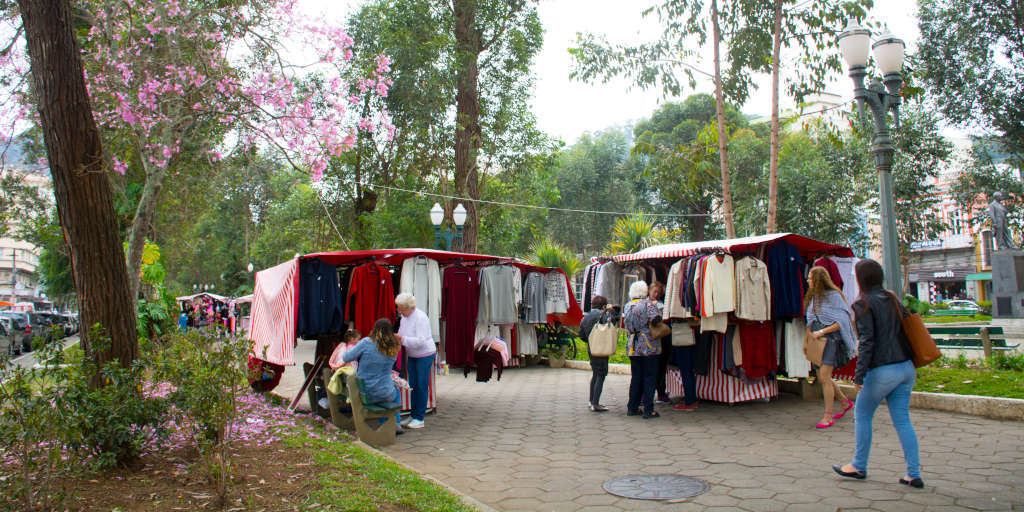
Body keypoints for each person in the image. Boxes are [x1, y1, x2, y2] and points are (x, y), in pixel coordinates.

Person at [833, 259, 923, 489]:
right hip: (905, 366)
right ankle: (913, 474)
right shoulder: (892, 297)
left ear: (860, 278)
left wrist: (859, 376)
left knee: (862, 415)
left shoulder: (862, 304)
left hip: (883, 370)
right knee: (902, 420)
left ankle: (858, 465)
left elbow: (867, 342)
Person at [804, 266, 857, 429]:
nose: (808, 280)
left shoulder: (834, 297)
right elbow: (810, 320)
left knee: (825, 377)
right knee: (822, 377)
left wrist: (821, 332)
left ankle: (827, 416)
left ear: (818, 280)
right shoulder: (815, 297)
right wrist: (807, 341)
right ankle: (844, 402)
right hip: (818, 342)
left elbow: (840, 322)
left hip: (831, 341)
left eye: (811, 278)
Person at [342, 318, 403, 434]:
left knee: (383, 392)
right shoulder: (393, 346)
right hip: (386, 392)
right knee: (395, 392)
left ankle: (387, 425)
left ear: (374, 329)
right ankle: (394, 424)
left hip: (365, 392)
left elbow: (346, 358)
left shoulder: (366, 342)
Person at [394, 293, 436, 430]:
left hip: (424, 354)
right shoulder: (404, 318)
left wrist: (402, 339)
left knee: (421, 385)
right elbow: (401, 334)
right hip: (412, 355)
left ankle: (419, 417)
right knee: (413, 385)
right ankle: (414, 415)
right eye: (398, 308)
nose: (399, 311)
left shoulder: (421, 317)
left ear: (409, 307)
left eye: (401, 309)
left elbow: (420, 341)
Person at [622, 280, 662, 419]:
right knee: (649, 377)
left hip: (633, 345)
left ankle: (632, 407)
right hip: (648, 345)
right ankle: (648, 409)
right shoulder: (648, 304)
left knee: (636, 377)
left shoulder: (627, 306)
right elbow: (656, 320)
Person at [578, 295, 618, 412]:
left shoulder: (585, 317)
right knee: (601, 374)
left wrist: (590, 341)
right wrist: (612, 312)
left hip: (592, 349)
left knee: (595, 374)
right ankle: (596, 403)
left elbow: (581, 334)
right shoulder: (603, 315)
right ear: (604, 306)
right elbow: (611, 326)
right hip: (602, 348)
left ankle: (591, 401)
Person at [648, 281, 672, 404]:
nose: (656, 294)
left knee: (661, 367)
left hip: (661, 341)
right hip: (649, 341)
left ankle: (661, 393)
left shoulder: (662, 305)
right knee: (651, 369)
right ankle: (648, 395)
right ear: (649, 290)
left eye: (659, 292)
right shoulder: (645, 305)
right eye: (655, 291)